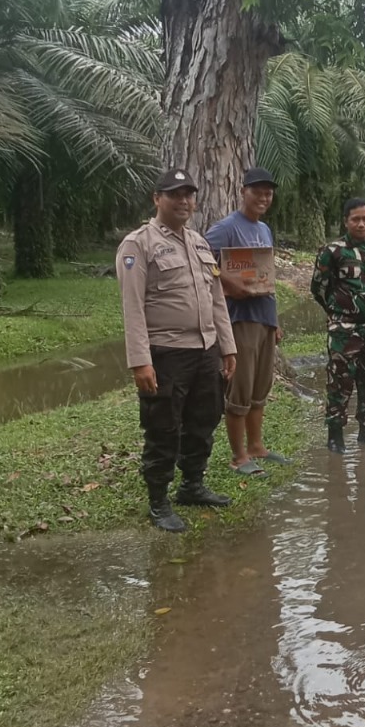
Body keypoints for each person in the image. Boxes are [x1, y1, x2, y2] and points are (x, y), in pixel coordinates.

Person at [116, 168, 237, 532]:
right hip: (166, 353)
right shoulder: (139, 244)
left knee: (203, 421)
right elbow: (132, 306)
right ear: (157, 198)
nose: (183, 201)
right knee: (164, 427)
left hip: (205, 350)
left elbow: (217, 300)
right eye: (174, 194)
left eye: (188, 194)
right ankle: (158, 500)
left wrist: (227, 347)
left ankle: (192, 485)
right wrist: (140, 361)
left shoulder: (199, 243)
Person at [205, 167, 292, 477]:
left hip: (264, 319)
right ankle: (238, 456)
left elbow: (267, 279)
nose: (264, 197)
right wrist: (229, 283)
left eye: (268, 192)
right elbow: (203, 261)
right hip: (239, 319)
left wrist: (275, 321)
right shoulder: (226, 228)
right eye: (257, 191)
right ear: (243, 192)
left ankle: (257, 446)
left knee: (259, 386)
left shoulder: (264, 230)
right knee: (240, 387)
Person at [311, 197, 365, 454]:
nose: (360, 224)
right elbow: (318, 288)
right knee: (339, 383)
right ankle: (335, 437)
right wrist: (338, 314)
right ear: (346, 221)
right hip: (344, 329)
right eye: (355, 219)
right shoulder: (332, 251)